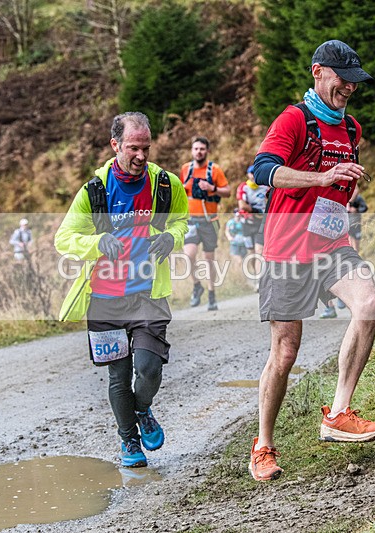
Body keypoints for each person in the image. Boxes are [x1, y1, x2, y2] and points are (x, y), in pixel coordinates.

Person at [248, 40, 375, 481]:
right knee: (285, 353)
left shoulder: (352, 129)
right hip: (287, 251)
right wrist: (323, 177)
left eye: (354, 82)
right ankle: (263, 445)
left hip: (332, 245)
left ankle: (339, 414)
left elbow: (338, 189)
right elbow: (263, 170)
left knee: (368, 304)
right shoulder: (295, 120)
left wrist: (343, 186)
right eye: (342, 79)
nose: (349, 88)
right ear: (317, 72)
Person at [54, 111, 189, 468]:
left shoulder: (165, 185)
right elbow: (64, 238)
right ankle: (129, 440)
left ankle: (142, 409)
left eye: (146, 148)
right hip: (105, 299)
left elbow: (181, 222)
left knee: (149, 368)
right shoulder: (94, 191)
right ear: (115, 145)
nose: (141, 156)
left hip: (148, 294)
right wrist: (97, 242)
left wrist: (170, 238)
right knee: (118, 375)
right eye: (133, 148)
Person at [181, 136, 231, 311]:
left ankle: (211, 294)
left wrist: (212, 188)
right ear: (192, 150)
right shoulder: (186, 169)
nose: (199, 152)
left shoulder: (214, 170)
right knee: (188, 255)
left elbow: (227, 192)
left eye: (202, 149)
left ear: (207, 151)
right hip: (190, 220)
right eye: (196, 149)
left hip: (209, 221)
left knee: (209, 260)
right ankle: (197, 285)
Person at [320, 191, 369, 318]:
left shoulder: (353, 197)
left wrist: (354, 209)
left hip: (349, 229)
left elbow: (363, 206)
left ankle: (343, 298)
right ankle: (330, 307)